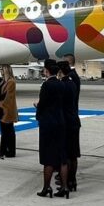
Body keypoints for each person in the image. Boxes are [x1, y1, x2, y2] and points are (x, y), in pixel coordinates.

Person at [35, 59, 69, 198]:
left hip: (48, 123)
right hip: (60, 122)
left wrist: (38, 111)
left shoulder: (46, 85)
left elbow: (42, 104)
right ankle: (64, 188)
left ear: (47, 71)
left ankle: (46, 187)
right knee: (62, 157)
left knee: (48, 157)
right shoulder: (62, 84)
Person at [60, 56, 82, 191]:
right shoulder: (73, 78)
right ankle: (71, 180)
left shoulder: (68, 80)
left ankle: (68, 180)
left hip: (67, 120)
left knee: (68, 153)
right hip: (73, 119)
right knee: (73, 153)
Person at [0, 65, 19, 158]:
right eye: (0, 69)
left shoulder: (11, 81)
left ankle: (10, 151)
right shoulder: (3, 81)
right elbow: (0, 94)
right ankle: (5, 151)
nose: (1, 71)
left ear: (7, 70)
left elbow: (8, 97)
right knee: (5, 131)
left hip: (7, 109)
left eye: (2, 69)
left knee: (8, 131)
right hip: (2, 108)